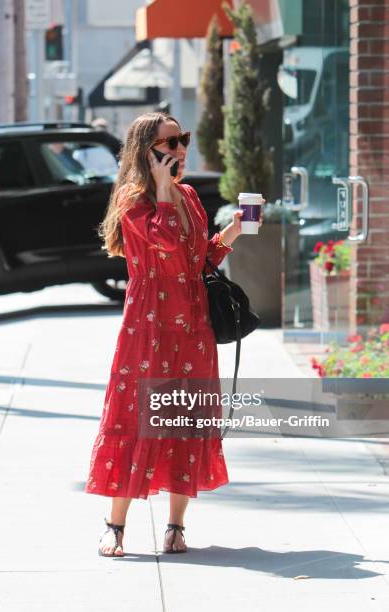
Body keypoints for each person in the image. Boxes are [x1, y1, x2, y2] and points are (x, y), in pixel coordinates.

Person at [85, 111, 264, 557]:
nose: (180, 150)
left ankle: (176, 527)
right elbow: (163, 239)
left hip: (193, 324)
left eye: (182, 140)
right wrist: (163, 190)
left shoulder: (188, 196)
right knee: (134, 420)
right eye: (170, 143)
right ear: (147, 151)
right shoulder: (133, 201)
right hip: (148, 326)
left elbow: (198, 259)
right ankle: (115, 526)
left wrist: (234, 231)